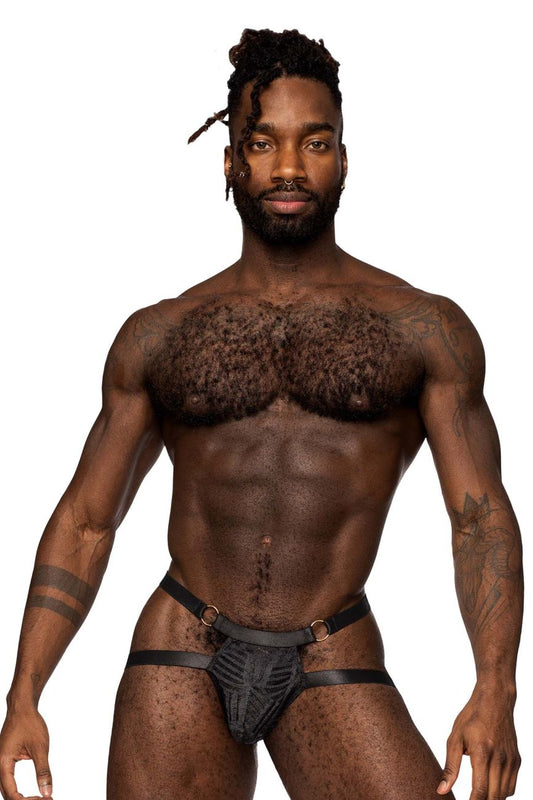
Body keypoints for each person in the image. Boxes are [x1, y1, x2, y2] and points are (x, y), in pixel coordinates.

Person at [0, 27, 523, 800]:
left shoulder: (421, 328)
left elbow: (477, 518)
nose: (288, 167)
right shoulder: (162, 333)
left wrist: (494, 690)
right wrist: (25, 694)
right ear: (230, 161)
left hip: (329, 645)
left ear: (343, 158)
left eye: (314, 143)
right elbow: (86, 519)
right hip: (181, 642)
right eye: (262, 143)